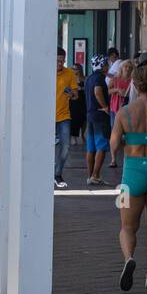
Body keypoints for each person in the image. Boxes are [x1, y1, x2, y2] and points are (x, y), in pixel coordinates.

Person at [111, 66, 147, 291]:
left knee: (126, 226)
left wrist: (117, 153)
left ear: (134, 84)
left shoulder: (124, 112)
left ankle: (129, 259)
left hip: (130, 175)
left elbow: (114, 144)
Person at [83, 55, 112, 186]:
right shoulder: (100, 78)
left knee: (91, 148)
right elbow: (97, 91)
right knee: (101, 146)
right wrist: (105, 106)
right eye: (106, 64)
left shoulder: (89, 78)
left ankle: (90, 176)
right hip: (100, 116)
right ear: (102, 65)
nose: (108, 66)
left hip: (90, 115)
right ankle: (96, 175)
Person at [54, 48, 79, 189]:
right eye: (57, 60)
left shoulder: (69, 73)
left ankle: (58, 173)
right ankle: (47, 172)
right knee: (48, 147)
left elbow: (76, 95)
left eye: (62, 61)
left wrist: (71, 93)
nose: (60, 64)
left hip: (64, 116)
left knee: (66, 146)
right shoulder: (46, 71)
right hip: (47, 117)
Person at [68, 63, 86, 150]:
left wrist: (81, 88)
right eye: (72, 69)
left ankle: (83, 136)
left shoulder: (84, 78)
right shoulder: (70, 79)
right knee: (74, 118)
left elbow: (88, 88)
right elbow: (66, 89)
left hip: (83, 101)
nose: (74, 70)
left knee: (83, 118)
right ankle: (73, 136)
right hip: (74, 101)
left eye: (76, 69)